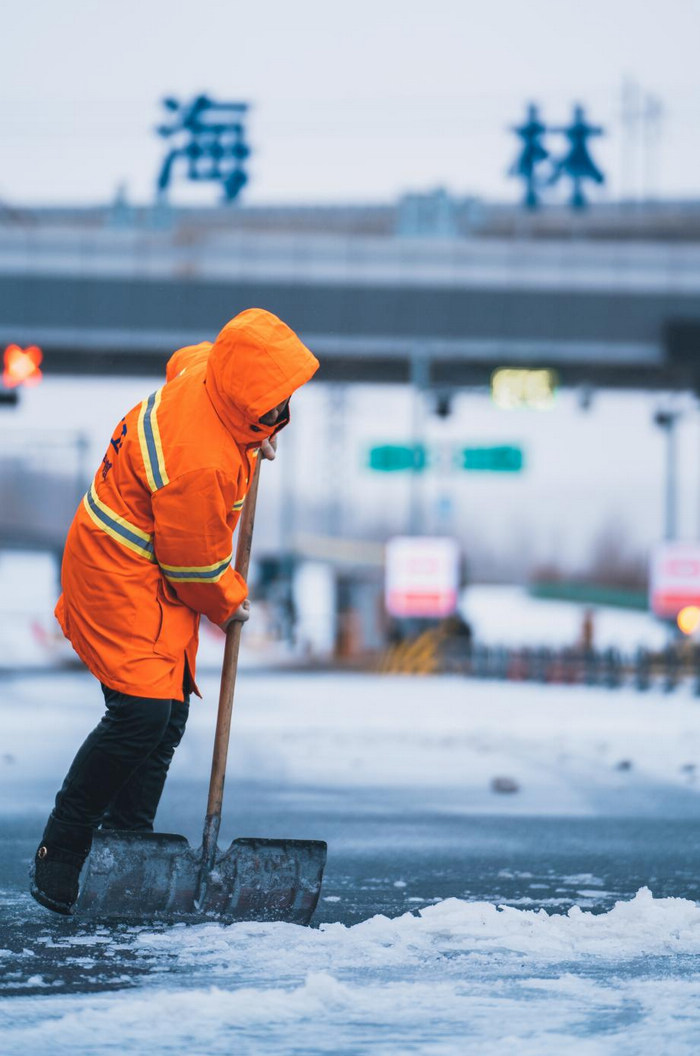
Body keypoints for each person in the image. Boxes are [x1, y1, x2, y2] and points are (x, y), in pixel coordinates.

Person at [30, 308, 319, 915]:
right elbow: (195, 568)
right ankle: (64, 847)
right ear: (240, 398)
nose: (282, 409)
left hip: (144, 574)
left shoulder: (206, 377)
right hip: (119, 571)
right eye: (272, 402)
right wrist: (233, 603)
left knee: (166, 719)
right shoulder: (204, 461)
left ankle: (128, 845)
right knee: (139, 716)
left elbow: (185, 358)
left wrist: (256, 431)